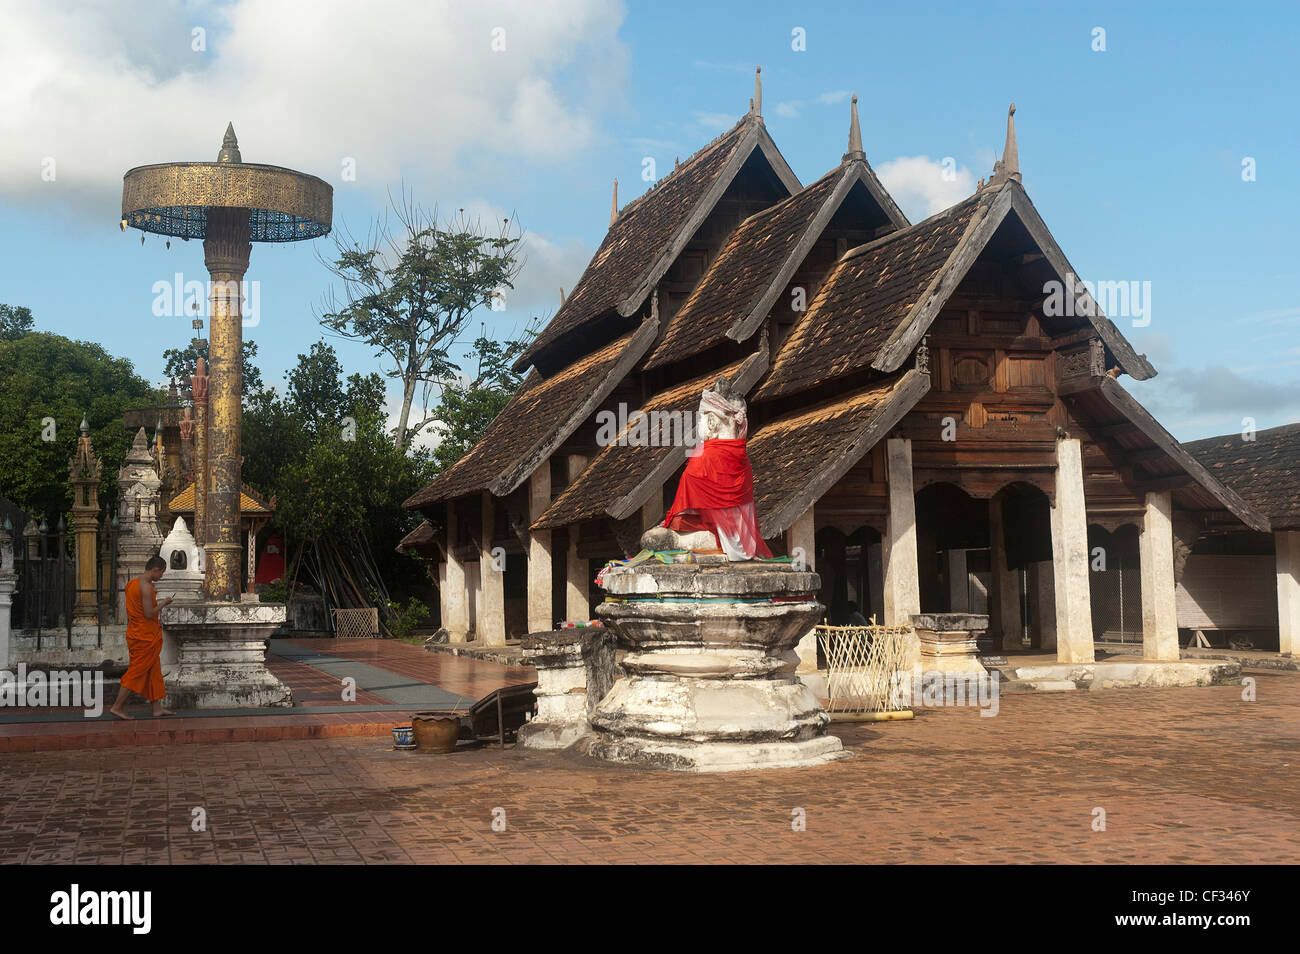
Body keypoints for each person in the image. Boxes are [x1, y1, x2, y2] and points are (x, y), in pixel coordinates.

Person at [108, 555, 175, 719]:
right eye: (162, 573)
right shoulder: (146, 587)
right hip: (144, 635)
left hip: (138, 632)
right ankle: (117, 706)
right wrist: (164, 603)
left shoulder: (132, 583)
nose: (162, 576)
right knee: (136, 672)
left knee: (153, 672)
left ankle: (156, 708)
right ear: (155, 570)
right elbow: (149, 613)